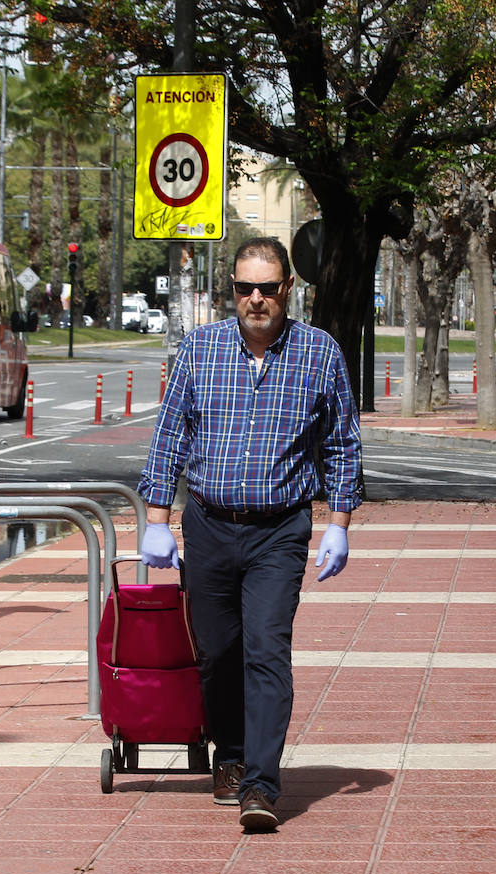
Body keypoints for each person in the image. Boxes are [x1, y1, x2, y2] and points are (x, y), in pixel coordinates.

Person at [138, 237, 362, 831]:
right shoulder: (200, 350)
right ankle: (230, 757)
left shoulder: (320, 354)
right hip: (208, 526)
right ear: (230, 291)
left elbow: (343, 445)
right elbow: (170, 435)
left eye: (267, 287)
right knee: (217, 654)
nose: (255, 299)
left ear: (288, 288)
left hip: (279, 532)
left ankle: (261, 784)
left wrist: (338, 523)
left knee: (267, 650)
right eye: (244, 288)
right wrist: (157, 517)